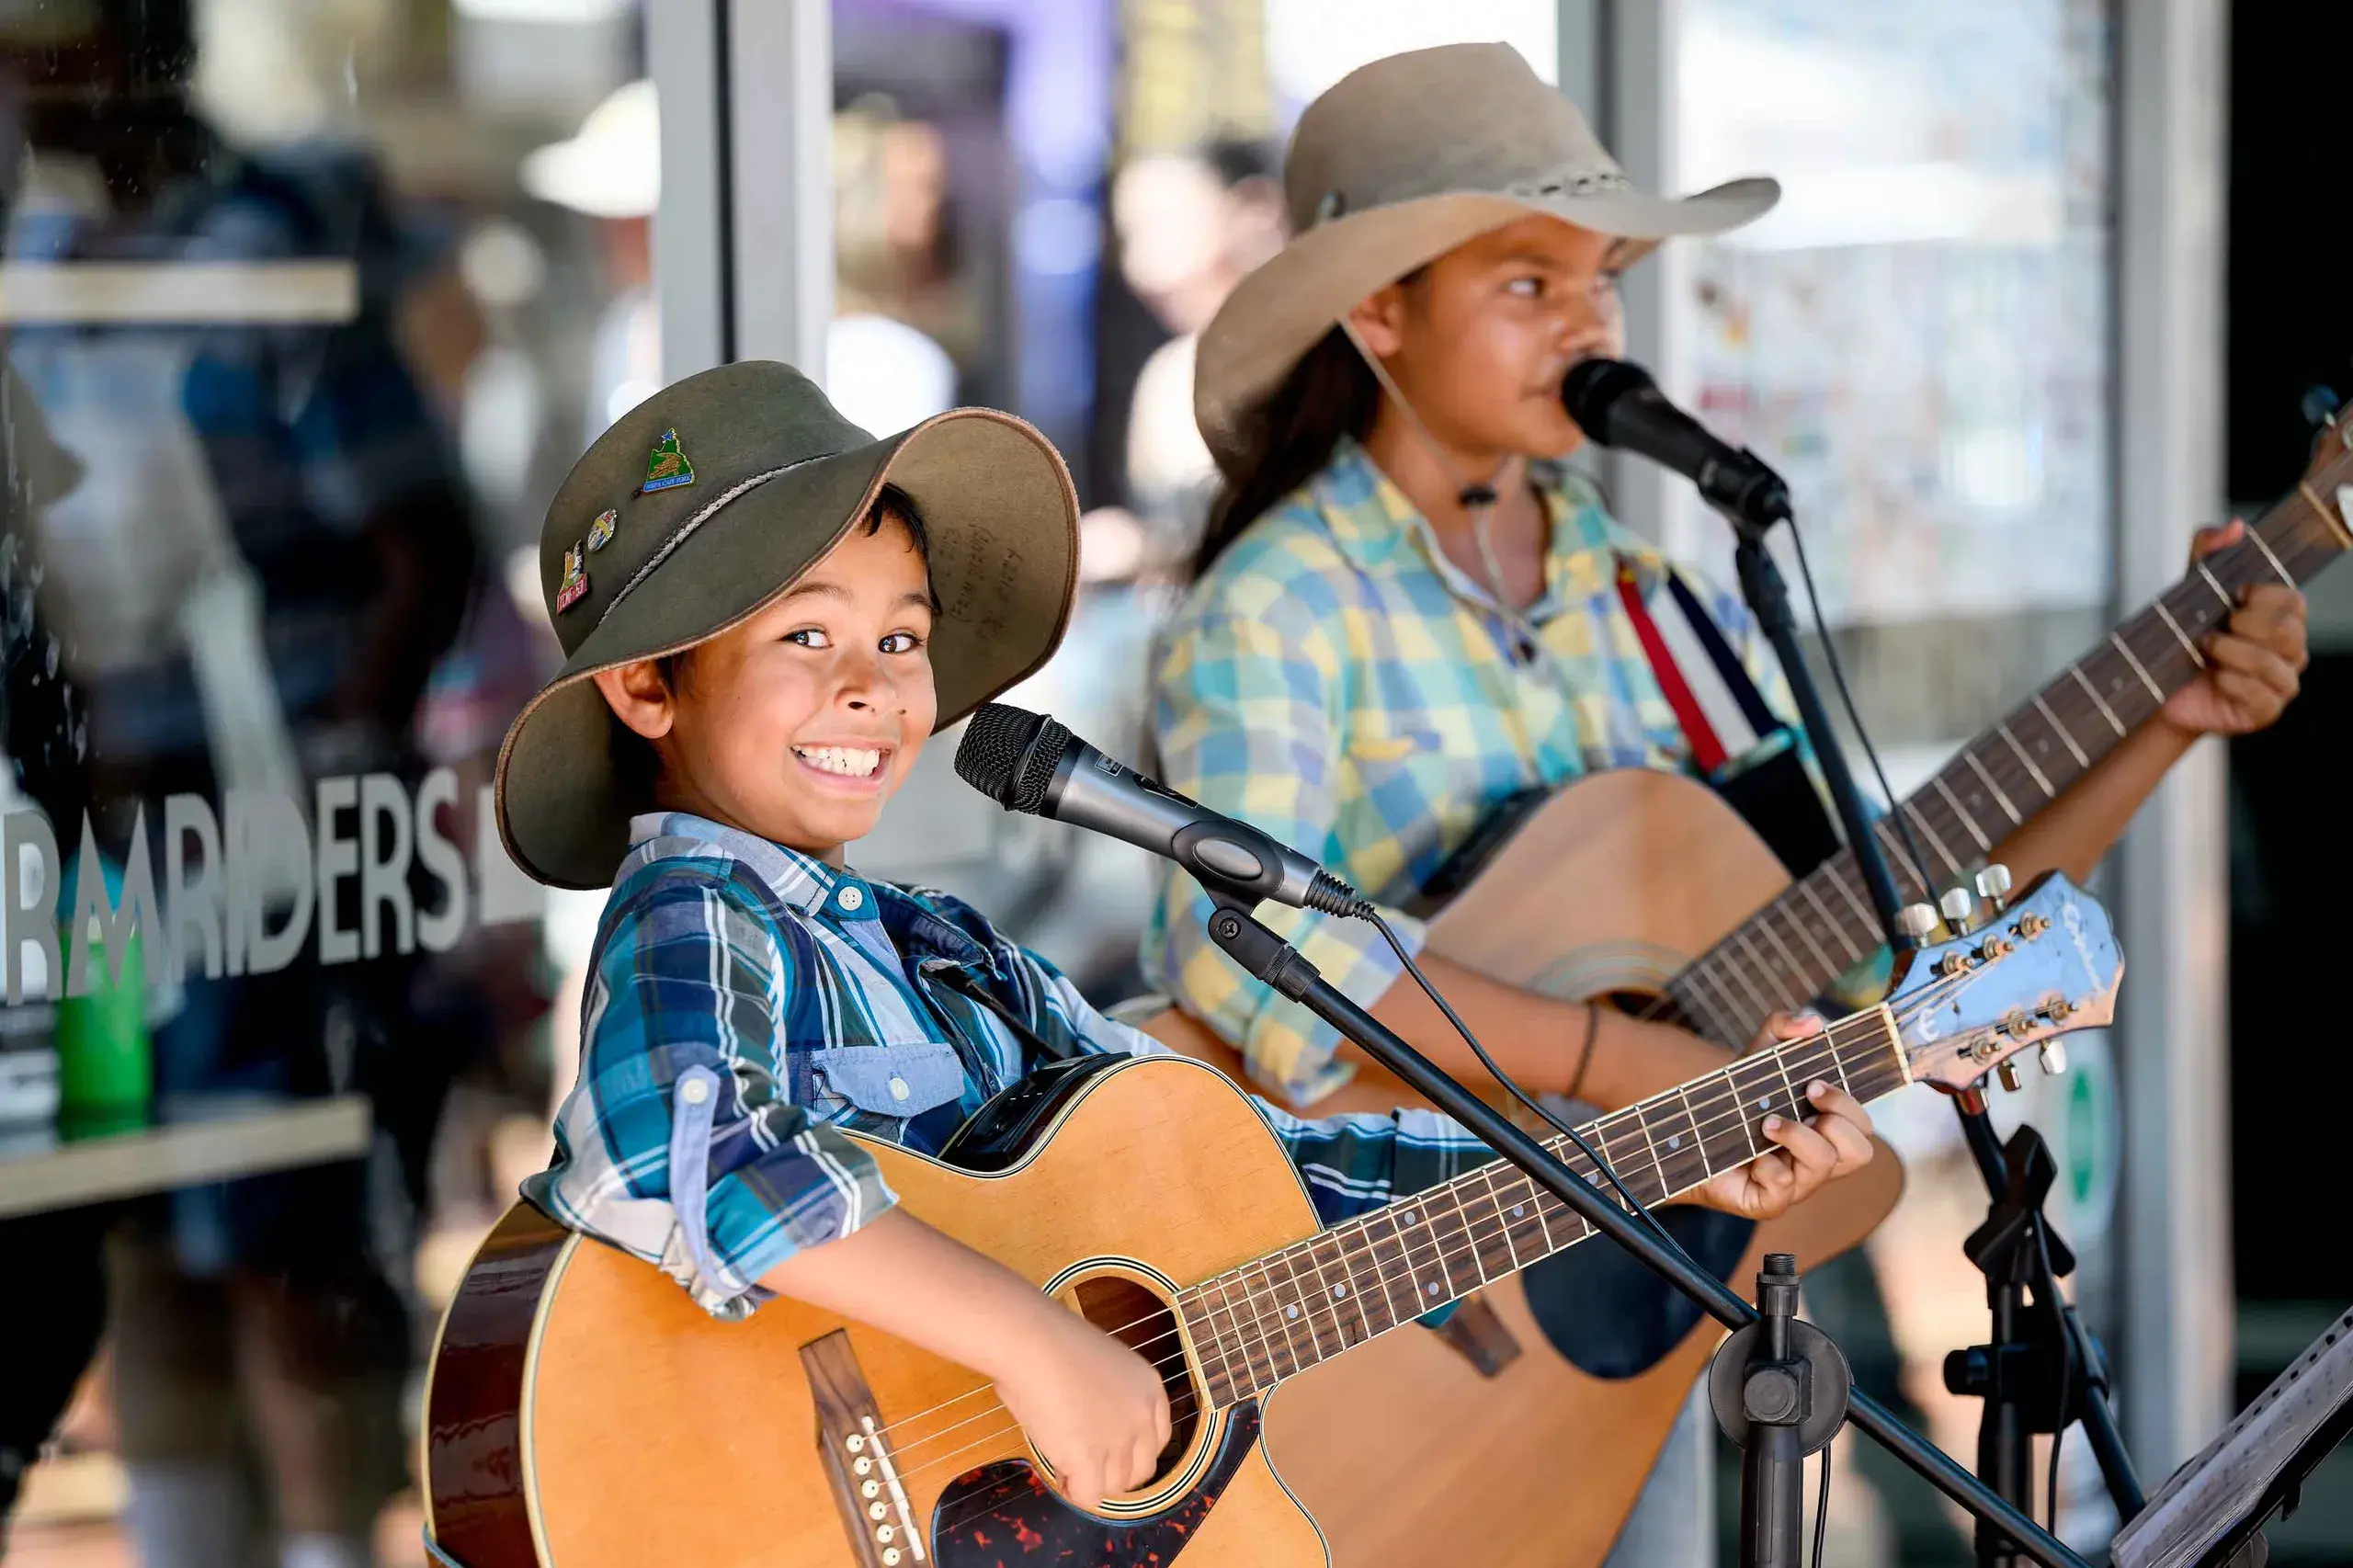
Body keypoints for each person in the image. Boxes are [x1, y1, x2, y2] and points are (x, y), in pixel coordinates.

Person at [1144, 41, 2309, 1564]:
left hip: (1644, 1309)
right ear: (1379, 314)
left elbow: (1882, 937)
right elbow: (1265, 980)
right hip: (1406, 1316)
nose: (1587, 323)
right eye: (1527, 284)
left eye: (1603, 283)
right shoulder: (1281, 602)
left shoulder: (1670, 607)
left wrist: (2168, 720)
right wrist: (1646, 1071)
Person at [491, 359, 1878, 1515]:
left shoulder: (943, 949)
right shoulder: (698, 911)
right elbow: (689, 1148)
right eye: (805, 636)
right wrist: (1035, 1344)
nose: (871, 690)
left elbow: (1261, 1167)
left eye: (903, 642)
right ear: (646, 688)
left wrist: (1663, 1159)